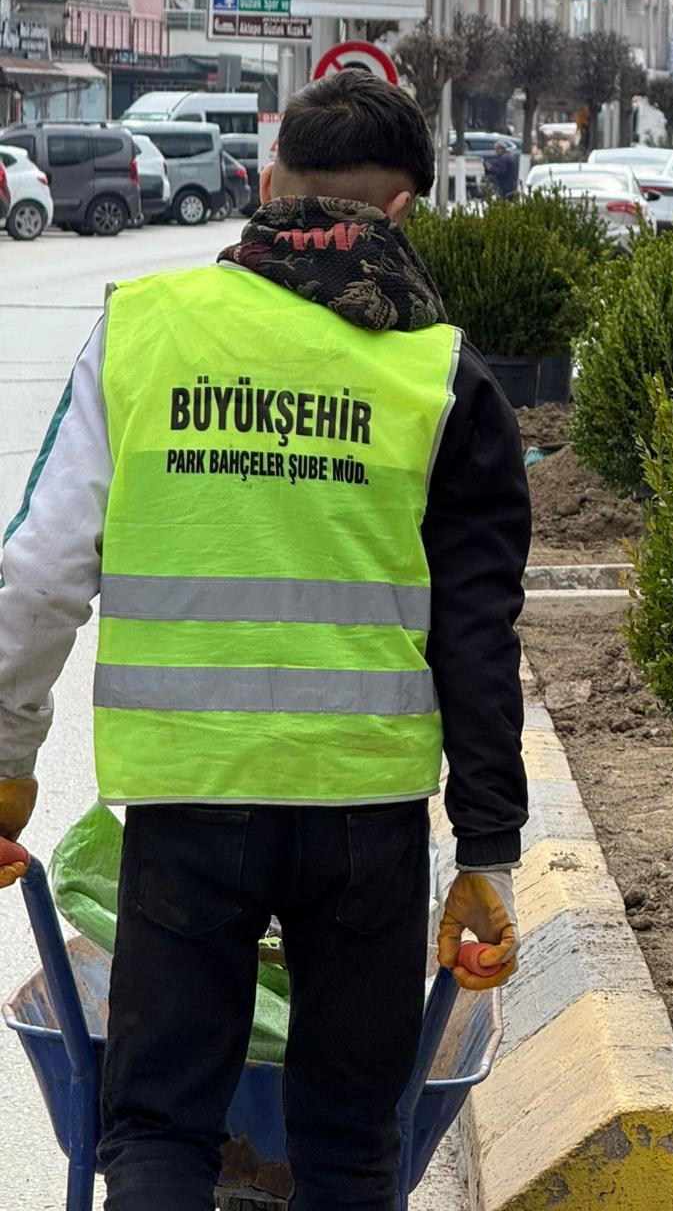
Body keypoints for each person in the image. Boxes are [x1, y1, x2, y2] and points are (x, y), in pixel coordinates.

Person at [0, 70, 530, 1211]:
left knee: (154, 1129)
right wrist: (485, 854)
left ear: (268, 179)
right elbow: (479, 637)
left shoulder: (143, 334)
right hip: (365, 831)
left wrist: (4, 760)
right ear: (400, 214)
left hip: (190, 816)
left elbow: (36, 574)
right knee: (347, 1146)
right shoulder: (442, 380)